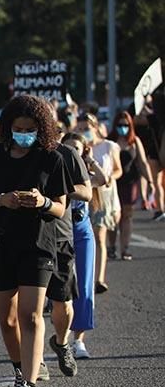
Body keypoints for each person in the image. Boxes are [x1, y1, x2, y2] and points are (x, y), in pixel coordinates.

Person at [0, 95, 71, 387]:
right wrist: (3, 200)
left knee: (30, 315)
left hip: (39, 244)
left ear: (41, 129)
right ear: (8, 127)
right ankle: (20, 368)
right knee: (8, 319)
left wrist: (41, 202)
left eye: (30, 129)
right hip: (1, 244)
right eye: (18, 128)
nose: (23, 134)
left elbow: (60, 207)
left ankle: (26, 384)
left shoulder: (51, 158)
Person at [44, 132, 94, 378]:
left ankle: (62, 343)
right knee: (29, 306)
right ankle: (32, 363)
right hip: (24, 238)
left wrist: (61, 185)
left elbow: (87, 192)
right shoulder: (8, 153)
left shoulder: (66, 153)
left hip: (61, 236)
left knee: (63, 303)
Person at [54, 132, 107, 363]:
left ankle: (79, 341)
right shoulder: (56, 171)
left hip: (82, 233)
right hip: (60, 233)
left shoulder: (86, 174)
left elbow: (103, 179)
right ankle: (60, 337)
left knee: (84, 287)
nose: (72, 152)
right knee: (61, 290)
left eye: (77, 148)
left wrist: (90, 159)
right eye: (69, 148)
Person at [75, 113, 122, 293]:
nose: (83, 132)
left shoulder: (109, 146)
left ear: (95, 127)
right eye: (79, 129)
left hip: (103, 193)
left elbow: (118, 170)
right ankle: (82, 277)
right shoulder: (76, 147)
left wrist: (109, 177)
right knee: (83, 238)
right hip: (81, 195)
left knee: (99, 235)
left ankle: (99, 278)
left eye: (86, 128)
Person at [107, 111, 152, 261]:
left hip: (130, 183)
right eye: (120, 125)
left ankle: (125, 248)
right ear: (115, 125)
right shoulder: (110, 141)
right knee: (114, 216)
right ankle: (111, 246)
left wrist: (150, 181)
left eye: (126, 125)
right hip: (113, 182)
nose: (123, 128)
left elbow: (143, 162)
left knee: (127, 215)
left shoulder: (134, 141)